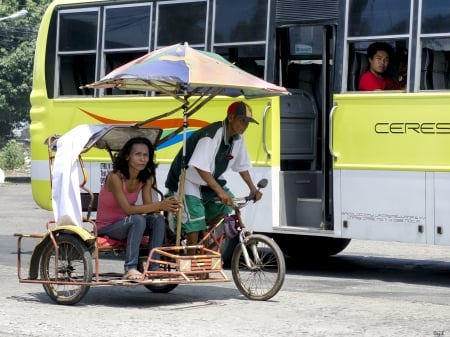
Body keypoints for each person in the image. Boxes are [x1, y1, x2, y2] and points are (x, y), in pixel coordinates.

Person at [165, 101, 263, 253]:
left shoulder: (238, 137)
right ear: (230, 118)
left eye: (248, 122)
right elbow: (199, 166)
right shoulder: (212, 134)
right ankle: (191, 258)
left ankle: (200, 236)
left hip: (208, 181)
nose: (246, 125)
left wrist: (253, 189)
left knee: (228, 205)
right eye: (242, 120)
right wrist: (219, 191)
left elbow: (242, 167)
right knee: (196, 218)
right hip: (186, 179)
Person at [96, 137, 180, 281]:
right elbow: (128, 210)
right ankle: (130, 268)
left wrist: (168, 208)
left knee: (157, 219)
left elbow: (149, 208)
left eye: (145, 155)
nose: (142, 159)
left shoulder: (145, 178)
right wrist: (159, 205)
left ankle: (154, 266)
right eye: (138, 154)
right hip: (107, 227)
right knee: (137, 219)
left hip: (130, 223)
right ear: (128, 156)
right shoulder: (115, 177)